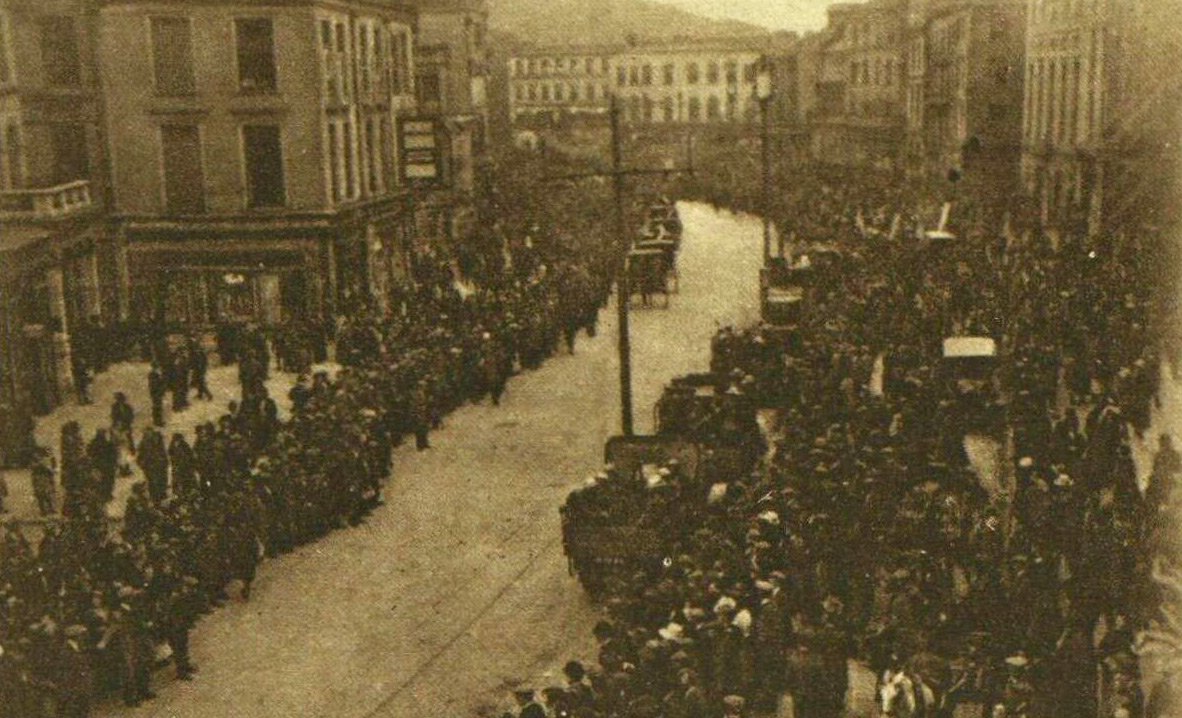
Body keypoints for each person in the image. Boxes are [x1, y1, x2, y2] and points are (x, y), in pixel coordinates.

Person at [138, 428, 170, 503]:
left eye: (150, 433)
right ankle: (155, 499)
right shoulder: (143, 442)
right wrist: (142, 464)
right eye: (147, 433)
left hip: (159, 465)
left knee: (161, 480)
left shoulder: (158, 440)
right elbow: (140, 456)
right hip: (150, 467)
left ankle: (162, 496)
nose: (148, 434)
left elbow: (163, 452)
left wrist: (165, 461)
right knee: (152, 483)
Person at [30, 446, 57, 516]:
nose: (49, 453)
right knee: (40, 495)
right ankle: (43, 511)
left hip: (48, 478)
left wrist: (50, 470)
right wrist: (41, 465)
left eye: (50, 451)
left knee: (49, 494)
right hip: (39, 478)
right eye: (47, 451)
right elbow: (33, 467)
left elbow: (54, 469)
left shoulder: (52, 459)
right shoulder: (36, 459)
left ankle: (52, 509)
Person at [189, 336, 213, 401]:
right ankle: (200, 395)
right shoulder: (198, 350)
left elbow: (199, 361)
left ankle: (209, 395)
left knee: (201, 383)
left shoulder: (197, 352)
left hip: (199, 369)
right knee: (199, 382)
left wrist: (198, 369)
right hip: (199, 368)